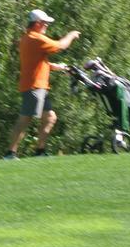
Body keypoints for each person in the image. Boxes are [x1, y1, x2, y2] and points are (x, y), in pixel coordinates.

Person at [5, 9, 80, 159]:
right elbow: (61, 45)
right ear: (38, 24)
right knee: (24, 120)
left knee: (50, 117)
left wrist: (56, 67)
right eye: (45, 23)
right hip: (34, 87)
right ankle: (10, 154)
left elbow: (36, 62)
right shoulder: (36, 38)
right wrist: (71, 35)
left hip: (39, 87)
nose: (47, 26)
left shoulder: (27, 38)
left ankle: (40, 151)